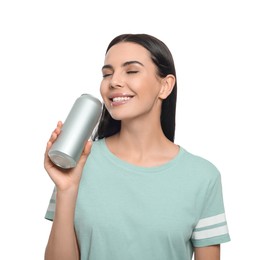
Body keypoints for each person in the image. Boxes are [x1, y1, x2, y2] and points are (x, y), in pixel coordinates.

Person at [44, 33, 230, 260]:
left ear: (165, 85)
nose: (114, 82)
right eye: (107, 74)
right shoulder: (78, 164)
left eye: (131, 71)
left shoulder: (202, 177)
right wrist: (66, 189)